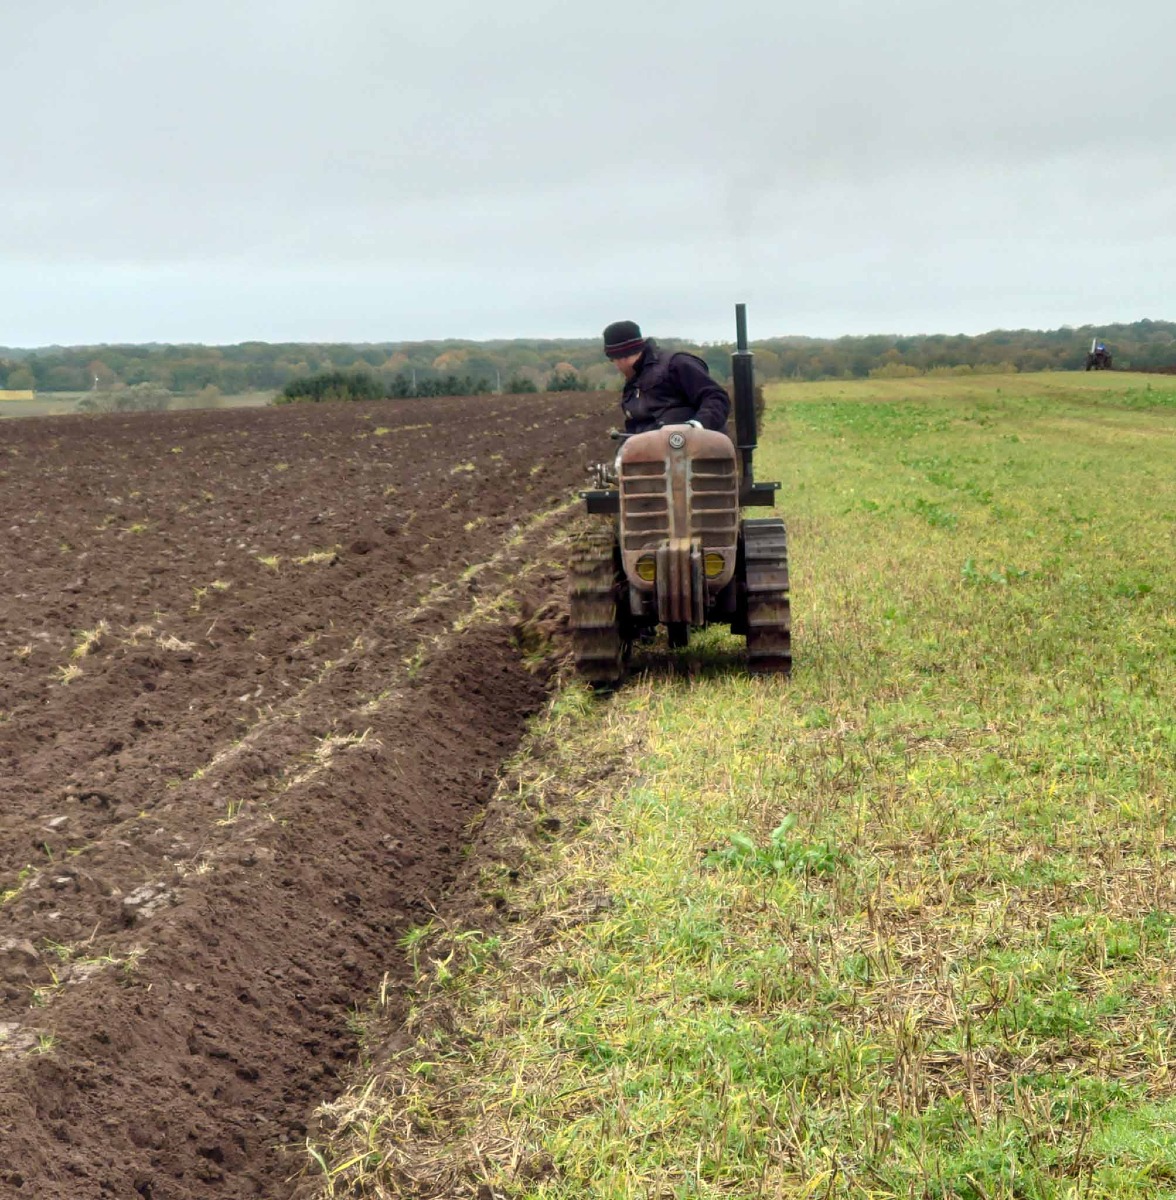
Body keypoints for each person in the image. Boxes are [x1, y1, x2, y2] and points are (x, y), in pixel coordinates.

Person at [602, 320, 730, 436]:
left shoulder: (676, 364)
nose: (616, 366)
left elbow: (716, 397)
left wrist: (696, 427)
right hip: (649, 450)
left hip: (690, 448)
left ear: (621, 357)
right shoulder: (632, 385)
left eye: (613, 360)